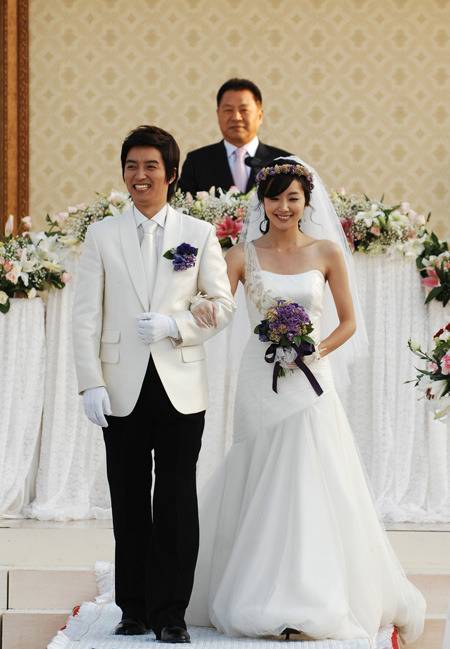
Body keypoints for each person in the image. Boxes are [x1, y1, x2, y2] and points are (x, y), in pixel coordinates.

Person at [186, 158, 425, 645]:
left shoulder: (326, 251)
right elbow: (217, 306)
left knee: (312, 476)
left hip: (311, 379)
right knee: (260, 472)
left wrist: (315, 351)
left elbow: (349, 322)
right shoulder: (241, 255)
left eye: (292, 197)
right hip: (261, 378)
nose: (283, 206)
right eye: (274, 197)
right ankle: (253, 586)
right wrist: (197, 308)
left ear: (306, 201)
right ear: (262, 202)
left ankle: (310, 595)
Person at [72, 125, 235, 642]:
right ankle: (134, 608)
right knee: (127, 498)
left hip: (179, 384)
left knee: (176, 501)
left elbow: (223, 305)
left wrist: (176, 325)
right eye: (131, 166)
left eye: (150, 167)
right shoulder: (102, 235)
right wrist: (90, 383)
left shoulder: (198, 233)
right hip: (119, 386)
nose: (139, 176)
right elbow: (84, 316)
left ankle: (171, 614)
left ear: (171, 174)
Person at [177, 78, 290, 196]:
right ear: (218, 114)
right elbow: (184, 204)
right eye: (228, 110)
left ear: (260, 116)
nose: (236, 117)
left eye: (244, 110)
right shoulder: (196, 162)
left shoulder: (283, 163)